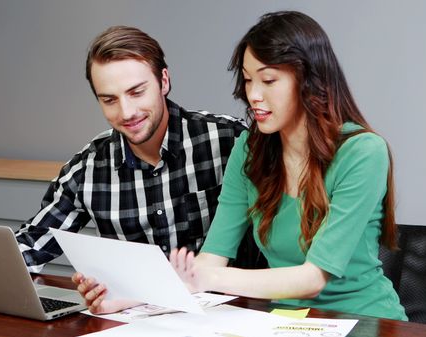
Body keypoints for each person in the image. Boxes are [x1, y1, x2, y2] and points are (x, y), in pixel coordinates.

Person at [0, 26, 246, 313]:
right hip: (131, 318)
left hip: (232, 314)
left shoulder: (227, 140)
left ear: (164, 81)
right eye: (109, 99)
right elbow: (31, 246)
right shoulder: (88, 168)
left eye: (136, 92)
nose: (126, 111)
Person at [168, 11, 407, 320]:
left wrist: (208, 280)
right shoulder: (250, 149)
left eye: (268, 80)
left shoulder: (362, 151)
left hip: (366, 321)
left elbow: (312, 279)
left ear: (309, 80)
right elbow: (212, 258)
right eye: (248, 79)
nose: (253, 95)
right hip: (289, 322)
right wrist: (127, 297)